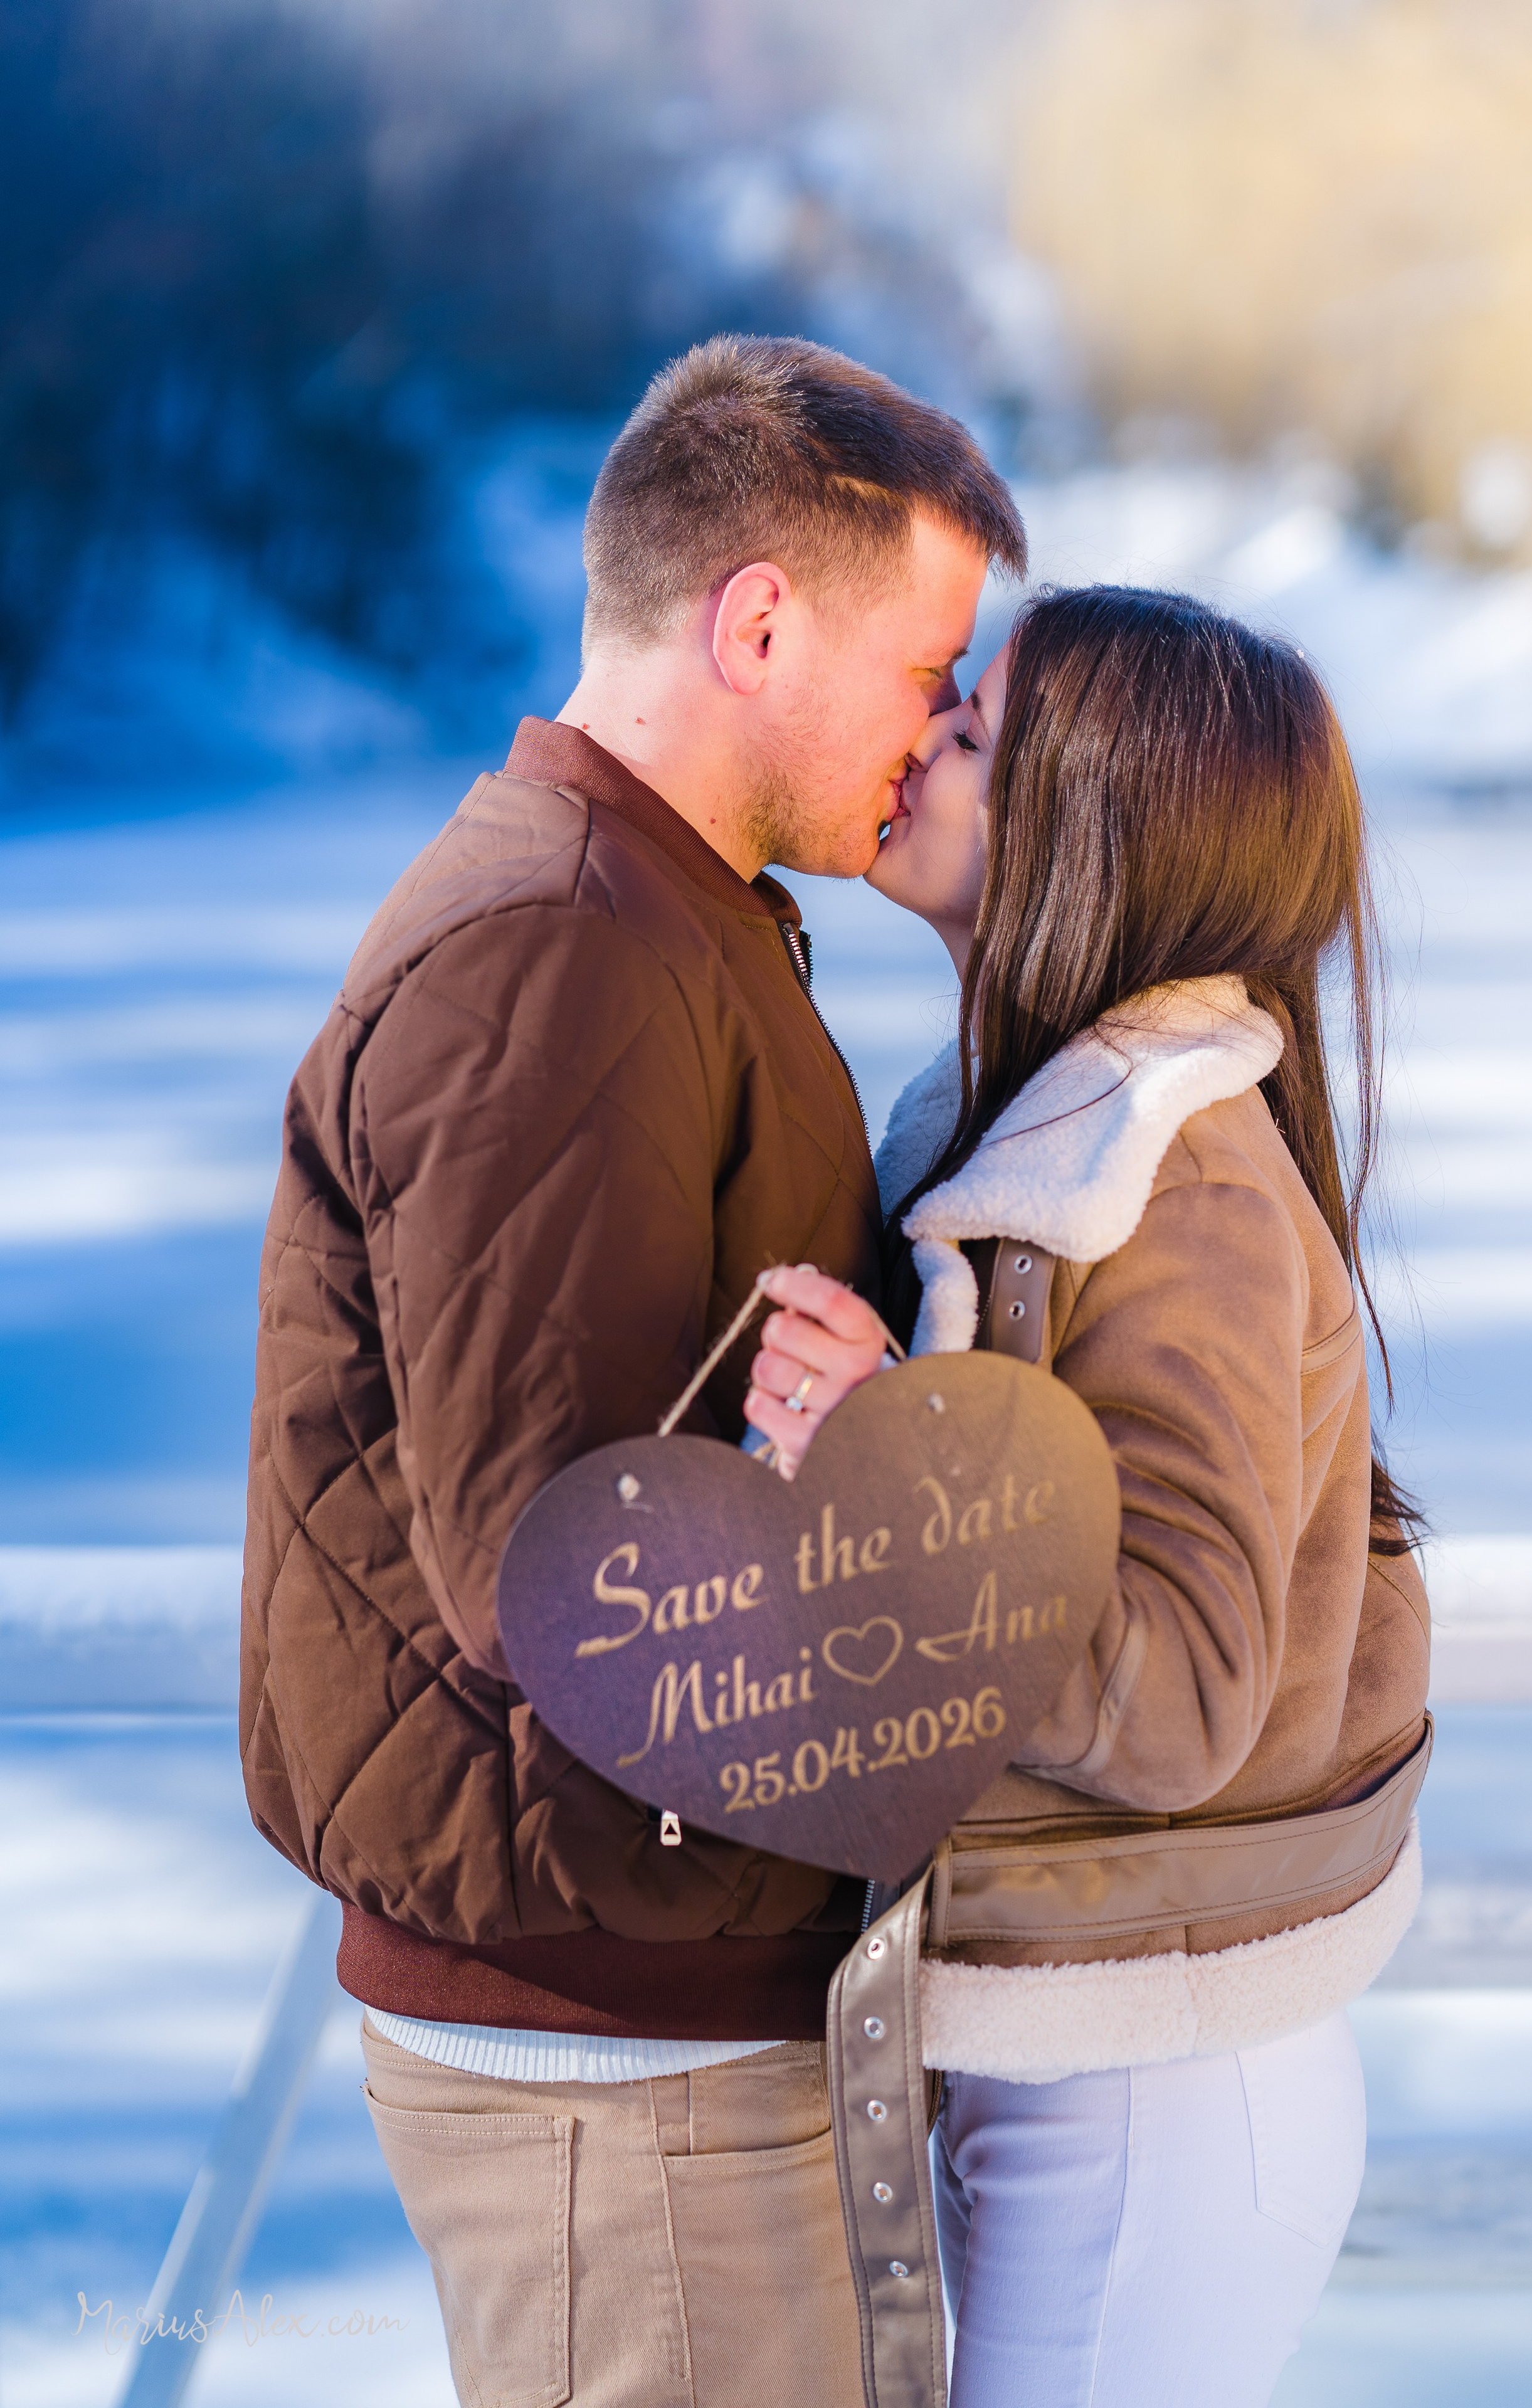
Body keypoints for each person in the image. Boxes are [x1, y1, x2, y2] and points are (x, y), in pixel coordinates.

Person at [240, 334, 1025, 2408]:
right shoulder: (564, 948)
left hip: (660, 1998)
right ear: (758, 620)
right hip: (616, 2051)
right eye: (925, 663)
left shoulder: (668, 914)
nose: (940, 724)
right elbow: (572, 1574)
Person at [748, 587, 1433, 2408]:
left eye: (972, 733)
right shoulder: (1027, 1137)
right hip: (1077, 2032)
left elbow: (1183, 1689)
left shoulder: (1175, 1176)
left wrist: (889, 1451)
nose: (921, 743)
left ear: (1092, 828)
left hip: (1157, 2084)